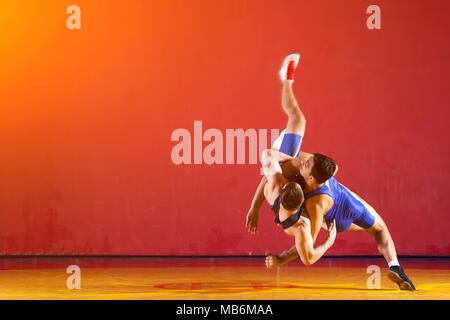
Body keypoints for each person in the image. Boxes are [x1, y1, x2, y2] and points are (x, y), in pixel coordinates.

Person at [246, 53, 416, 291]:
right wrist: (255, 207)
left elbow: (307, 253)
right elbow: (273, 177)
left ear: (311, 178)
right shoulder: (303, 170)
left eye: (307, 164)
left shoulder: (311, 201)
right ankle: (395, 265)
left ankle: (286, 80)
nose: (304, 160)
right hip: (337, 203)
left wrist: (282, 257)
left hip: (335, 209)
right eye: (307, 160)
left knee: (378, 227)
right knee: (379, 228)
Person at [258, 53, 338, 266]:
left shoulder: (275, 184)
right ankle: (286, 79)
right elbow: (308, 258)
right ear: (304, 201)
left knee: (297, 117)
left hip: (280, 153)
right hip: (282, 160)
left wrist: (253, 208)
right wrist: (328, 242)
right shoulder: (301, 227)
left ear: (284, 186)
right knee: (297, 119)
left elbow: (266, 156)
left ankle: (286, 79)